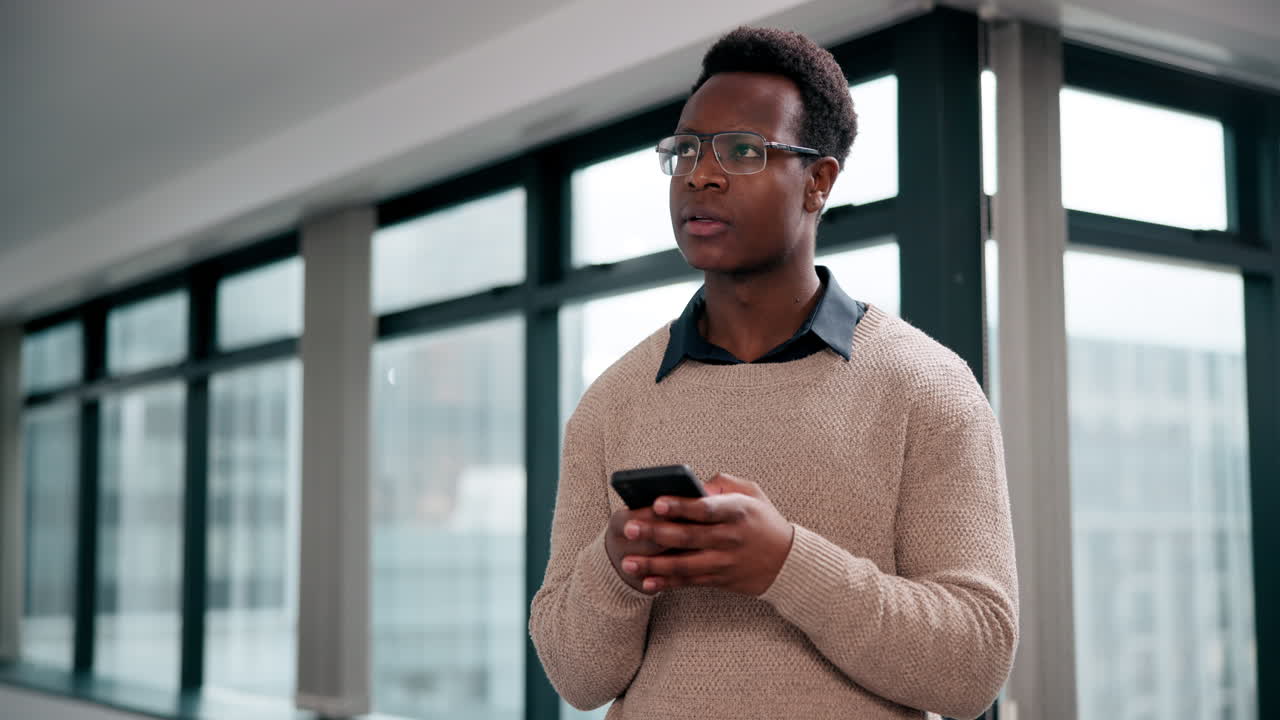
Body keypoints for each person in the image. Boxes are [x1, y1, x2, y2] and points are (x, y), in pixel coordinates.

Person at [529, 26, 1017, 720]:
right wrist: (617, 565)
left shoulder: (929, 387)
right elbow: (576, 678)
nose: (702, 173)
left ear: (818, 181)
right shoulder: (612, 401)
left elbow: (974, 666)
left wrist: (785, 564)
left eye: (742, 150)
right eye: (686, 150)